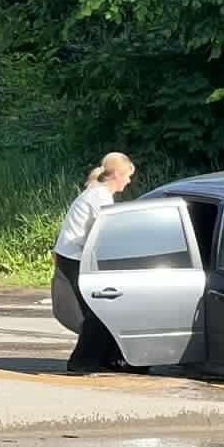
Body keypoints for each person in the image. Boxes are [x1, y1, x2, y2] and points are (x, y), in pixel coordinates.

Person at [53, 152, 135, 374]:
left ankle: (106, 358)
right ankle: (82, 362)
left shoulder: (97, 192)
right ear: (117, 174)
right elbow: (104, 234)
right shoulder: (100, 197)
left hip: (73, 256)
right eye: (128, 176)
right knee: (98, 312)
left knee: (100, 311)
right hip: (76, 258)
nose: (129, 181)